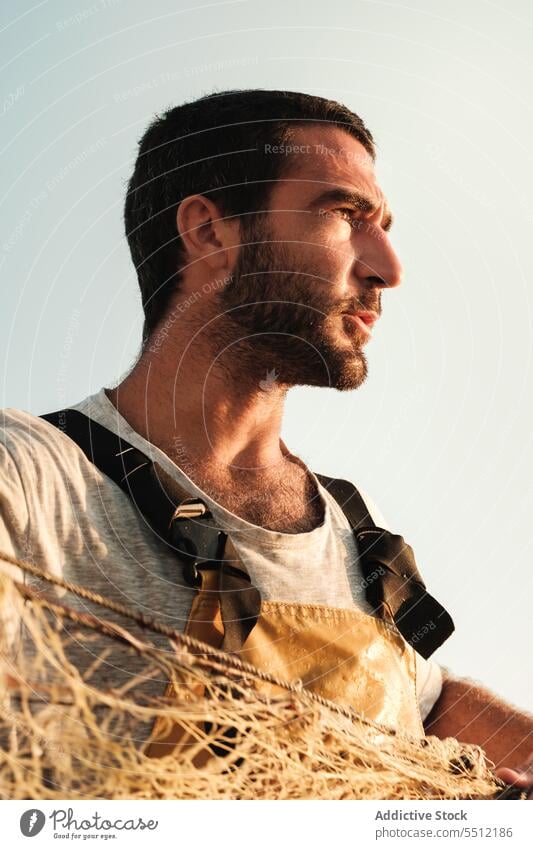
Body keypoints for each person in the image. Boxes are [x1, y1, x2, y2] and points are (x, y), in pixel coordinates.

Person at [0, 89, 531, 791]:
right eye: (345, 215)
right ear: (211, 232)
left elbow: (426, 703)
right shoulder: (36, 474)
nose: (388, 268)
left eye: (383, 225)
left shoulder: (355, 523)